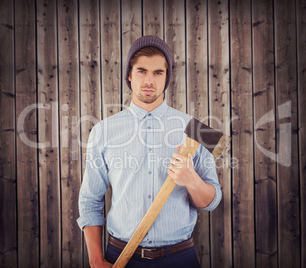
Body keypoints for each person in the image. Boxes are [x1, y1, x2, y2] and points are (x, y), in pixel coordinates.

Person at [77, 35, 222, 268]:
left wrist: (192, 180)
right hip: (120, 258)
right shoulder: (103, 131)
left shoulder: (195, 130)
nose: (149, 81)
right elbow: (90, 200)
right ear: (129, 75)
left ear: (167, 78)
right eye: (142, 71)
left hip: (180, 258)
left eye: (158, 73)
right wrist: (95, 260)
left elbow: (212, 201)